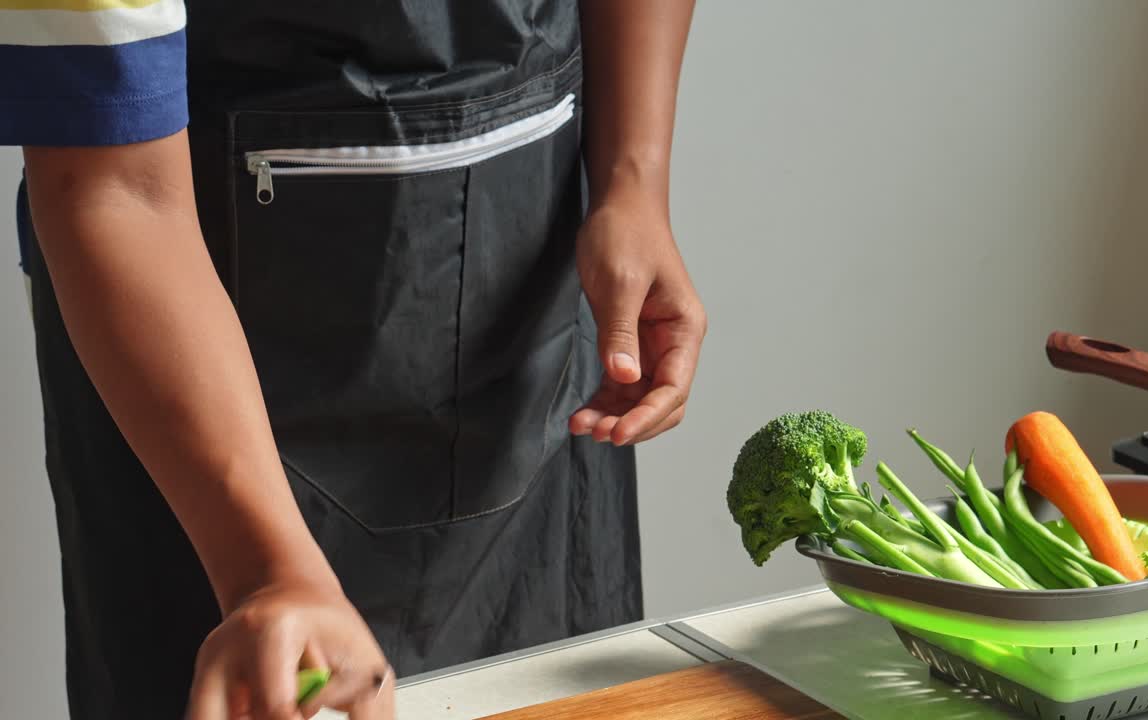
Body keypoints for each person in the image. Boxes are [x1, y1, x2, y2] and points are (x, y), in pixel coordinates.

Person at [2, 1, 704, 717]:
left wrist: (633, 180)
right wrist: (265, 574)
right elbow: (115, 187)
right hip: (206, 402)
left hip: (533, 302)